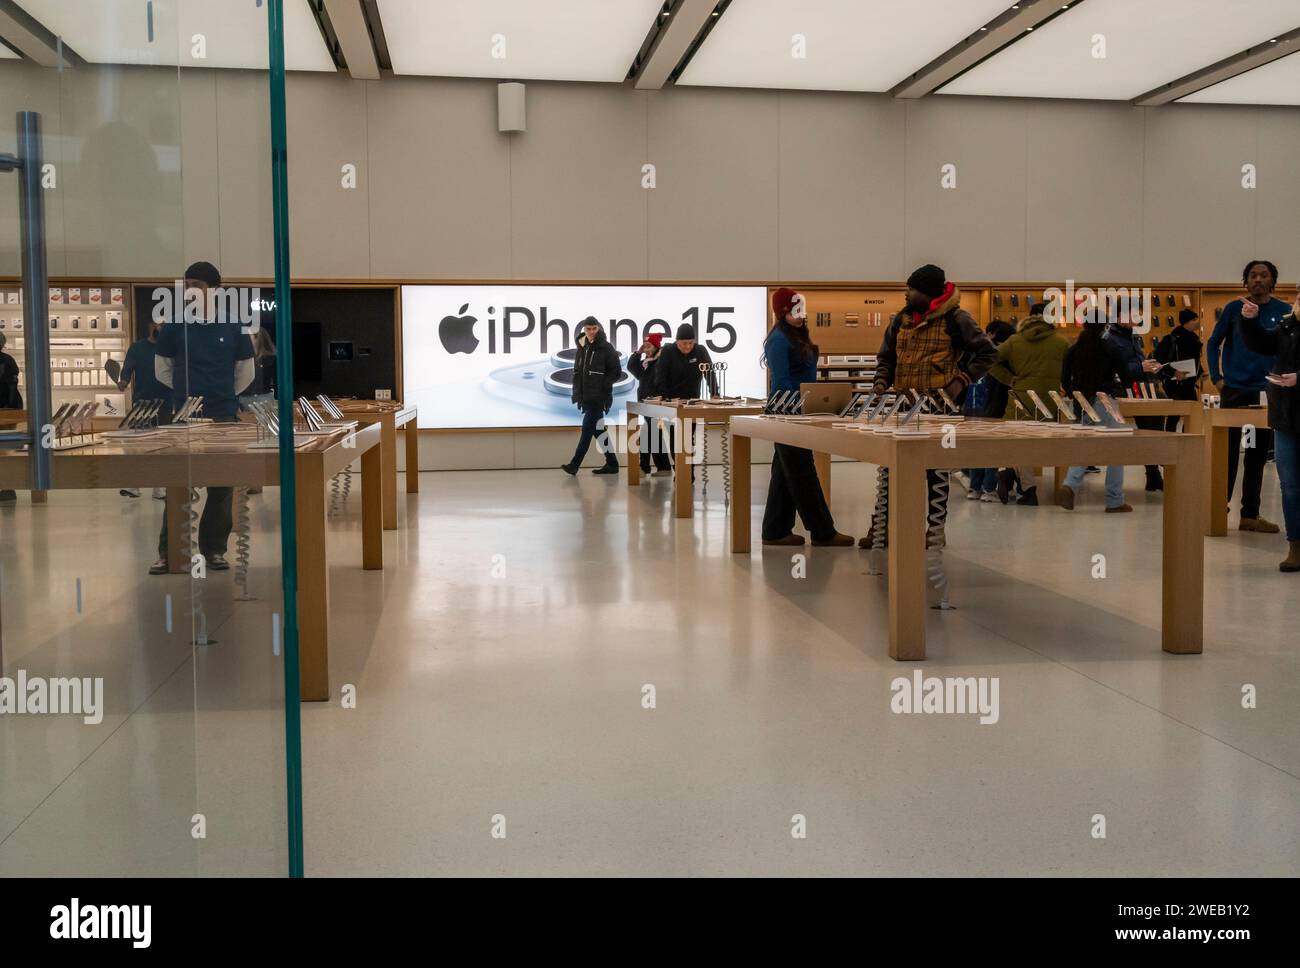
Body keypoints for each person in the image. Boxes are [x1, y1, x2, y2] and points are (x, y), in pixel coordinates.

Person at [862, 264, 996, 549]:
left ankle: (935, 531)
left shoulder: (956, 319)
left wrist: (962, 380)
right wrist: (881, 381)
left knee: (936, 472)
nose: (906, 293)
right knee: (890, 468)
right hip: (903, 407)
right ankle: (881, 527)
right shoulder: (900, 320)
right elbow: (886, 357)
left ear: (926, 292)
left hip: (939, 409)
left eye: (911, 289)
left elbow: (987, 352)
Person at [150, 261, 255, 575]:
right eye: (187, 285)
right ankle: (170, 552)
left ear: (215, 290)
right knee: (179, 484)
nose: (190, 291)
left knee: (222, 487)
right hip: (184, 417)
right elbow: (163, 370)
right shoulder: (173, 326)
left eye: (197, 285)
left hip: (223, 415)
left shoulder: (233, 327)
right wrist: (189, 396)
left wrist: (220, 395)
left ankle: (214, 550)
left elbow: (245, 372)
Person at [760, 287, 853, 547]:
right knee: (802, 471)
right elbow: (781, 381)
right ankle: (823, 531)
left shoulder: (797, 336)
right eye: (793, 311)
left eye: (801, 310)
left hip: (801, 410)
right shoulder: (779, 339)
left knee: (785, 470)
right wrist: (798, 408)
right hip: (788, 412)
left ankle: (775, 530)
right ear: (782, 313)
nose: (800, 315)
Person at [1207, 260, 1289, 532]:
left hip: (1266, 393)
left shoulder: (1284, 311)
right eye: (1253, 275)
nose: (1258, 280)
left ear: (1272, 281)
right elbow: (1213, 342)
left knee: (1256, 453)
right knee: (1228, 453)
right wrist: (1218, 379)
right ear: (1246, 280)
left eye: (1264, 275)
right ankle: (1218, 510)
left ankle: (1249, 515)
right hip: (1234, 392)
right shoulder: (1233, 309)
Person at [1055, 309, 1153, 513]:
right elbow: (1126, 375)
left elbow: (1065, 379)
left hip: (1081, 402)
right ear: (1104, 325)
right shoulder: (1108, 346)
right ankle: (1114, 499)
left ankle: (1070, 486)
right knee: (1118, 447)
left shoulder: (1074, 348)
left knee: (1086, 445)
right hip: (1105, 400)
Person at [1238, 289, 1300, 571]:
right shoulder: (1287, 327)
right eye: (1299, 299)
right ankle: (1295, 545)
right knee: (1289, 486)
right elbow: (1262, 344)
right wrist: (1250, 321)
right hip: (1285, 416)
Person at [988, 304, 1069, 506]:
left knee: (1018, 443)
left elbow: (990, 360)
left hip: (1021, 399)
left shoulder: (1015, 341)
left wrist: (1008, 378)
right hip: (1051, 400)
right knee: (1045, 444)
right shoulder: (1061, 342)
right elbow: (1070, 370)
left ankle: (1023, 484)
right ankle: (1022, 480)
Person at [960, 319, 1015, 502]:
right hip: (992, 407)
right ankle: (988, 488)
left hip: (971, 405)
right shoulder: (1001, 355)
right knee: (992, 449)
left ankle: (974, 488)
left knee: (977, 448)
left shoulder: (974, 352)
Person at [650, 323, 717, 472]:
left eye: (690, 343)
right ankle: (681, 471)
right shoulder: (668, 351)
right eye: (684, 343)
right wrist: (665, 399)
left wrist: (714, 392)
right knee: (675, 439)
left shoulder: (700, 351)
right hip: (671, 403)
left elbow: (709, 373)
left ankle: (687, 473)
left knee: (687, 438)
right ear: (677, 342)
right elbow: (660, 377)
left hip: (692, 403)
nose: (687, 347)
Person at [116, 321, 172, 499]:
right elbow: (126, 370)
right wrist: (122, 382)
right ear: (151, 325)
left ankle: (160, 487)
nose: (161, 328)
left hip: (165, 403)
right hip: (142, 404)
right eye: (159, 324)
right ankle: (134, 485)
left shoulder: (170, 348)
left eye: (165, 325)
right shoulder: (137, 348)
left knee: (163, 448)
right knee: (136, 447)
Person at [561, 316, 621, 476]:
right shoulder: (582, 348)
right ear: (584, 330)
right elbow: (578, 373)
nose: (592, 332)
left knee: (587, 430)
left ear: (598, 328)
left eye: (594, 328)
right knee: (598, 430)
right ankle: (612, 463)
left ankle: (575, 464)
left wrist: (603, 384)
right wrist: (578, 394)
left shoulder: (606, 347)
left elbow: (616, 372)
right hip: (585, 396)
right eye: (588, 329)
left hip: (598, 397)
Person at [626, 332, 671, 477]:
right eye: (644, 346)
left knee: (648, 433)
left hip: (655, 403)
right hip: (645, 403)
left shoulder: (660, 362)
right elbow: (632, 368)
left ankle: (644, 467)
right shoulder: (646, 362)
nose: (646, 349)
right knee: (652, 434)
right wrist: (637, 353)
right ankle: (663, 467)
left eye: (649, 346)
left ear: (657, 347)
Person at [1154, 308, 1204, 431]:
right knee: (1174, 414)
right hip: (1173, 383)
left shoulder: (1195, 339)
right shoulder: (1171, 339)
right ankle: (1169, 437)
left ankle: (1188, 435)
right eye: (1194, 319)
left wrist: (1201, 372)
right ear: (1186, 322)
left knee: (1193, 412)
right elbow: (1158, 359)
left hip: (1189, 382)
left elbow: (1195, 359)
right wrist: (1173, 372)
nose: (1197, 322)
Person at [0, 331, 21, 504]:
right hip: (9, 410)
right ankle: (8, 488)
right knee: (6, 450)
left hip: (5, 410)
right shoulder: (9, 360)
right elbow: (13, 386)